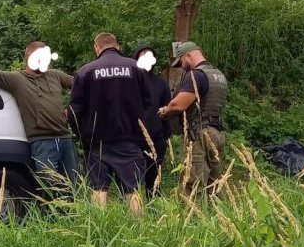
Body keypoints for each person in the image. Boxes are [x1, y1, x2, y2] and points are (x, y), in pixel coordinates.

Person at [0, 41, 78, 188]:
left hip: (65, 138)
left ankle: (75, 211)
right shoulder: (17, 79)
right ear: (30, 56)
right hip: (42, 141)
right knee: (49, 186)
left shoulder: (55, 75)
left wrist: (72, 110)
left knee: (73, 184)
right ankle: (51, 211)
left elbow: (82, 84)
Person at [70, 33, 152, 215]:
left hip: (97, 143)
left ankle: (100, 233)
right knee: (133, 189)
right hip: (130, 140)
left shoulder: (85, 71)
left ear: (96, 48)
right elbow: (148, 104)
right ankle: (139, 232)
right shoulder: (136, 68)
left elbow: (74, 111)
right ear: (118, 46)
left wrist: (82, 137)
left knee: (99, 189)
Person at [159, 42, 229, 197]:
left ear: (188, 56)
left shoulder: (196, 74)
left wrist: (165, 110)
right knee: (215, 184)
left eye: (182, 62)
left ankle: (191, 218)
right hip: (217, 132)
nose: (183, 67)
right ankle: (217, 218)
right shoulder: (218, 75)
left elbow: (179, 104)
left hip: (199, 133)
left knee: (192, 184)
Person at [133, 44, 172, 198]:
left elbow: (167, 110)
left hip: (156, 138)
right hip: (133, 137)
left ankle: (154, 208)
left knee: (154, 178)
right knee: (132, 178)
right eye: (142, 55)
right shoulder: (130, 81)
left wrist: (166, 134)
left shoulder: (161, 83)